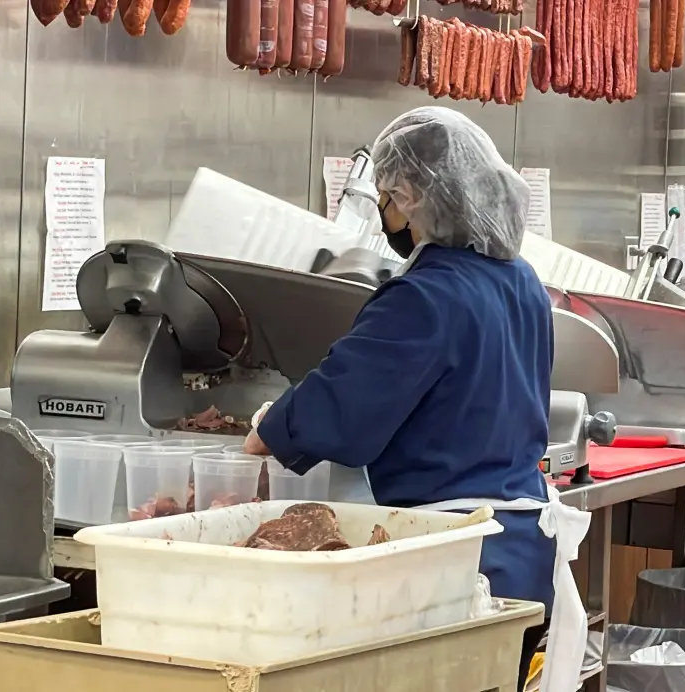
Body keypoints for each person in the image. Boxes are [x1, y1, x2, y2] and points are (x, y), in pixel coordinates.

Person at [243, 106, 589, 692]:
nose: (382, 210)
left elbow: (345, 409)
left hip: (456, 564)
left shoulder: (424, 296)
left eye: (385, 195)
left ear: (414, 197)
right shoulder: (523, 282)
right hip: (526, 548)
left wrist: (266, 430)